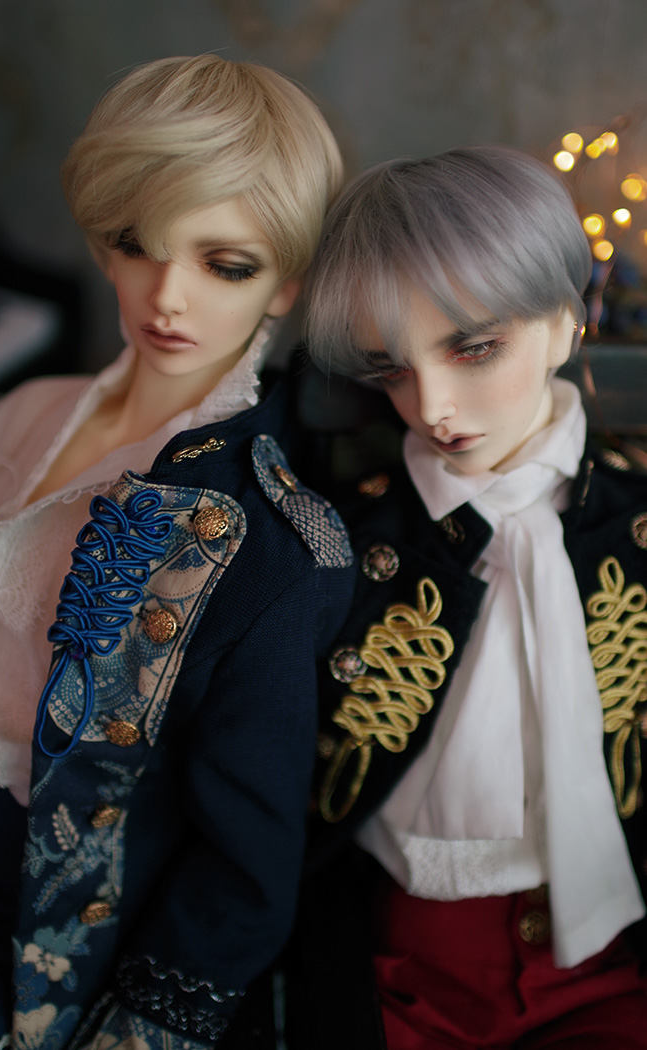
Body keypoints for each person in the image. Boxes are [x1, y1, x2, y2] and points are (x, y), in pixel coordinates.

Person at [0, 54, 354, 1050]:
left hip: (9, 912)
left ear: (289, 281)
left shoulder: (269, 545)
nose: (167, 296)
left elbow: (245, 877)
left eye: (226, 264)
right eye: (137, 245)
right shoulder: (26, 405)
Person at [287, 145, 647, 1048]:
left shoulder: (634, 530)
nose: (434, 407)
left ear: (565, 323)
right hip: (400, 968)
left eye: (475, 347)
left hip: (611, 959)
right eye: (391, 370)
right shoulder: (346, 548)